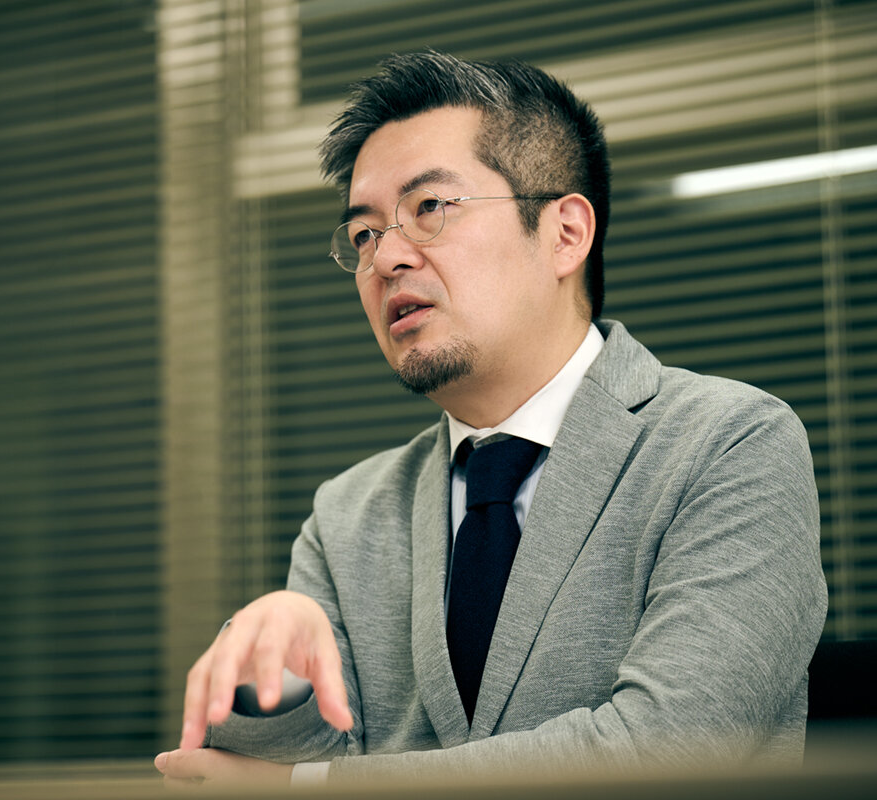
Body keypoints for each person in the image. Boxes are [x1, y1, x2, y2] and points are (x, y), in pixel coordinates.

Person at [155, 51, 827, 788]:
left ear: (565, 233)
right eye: (364, 234)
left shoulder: (728, 444)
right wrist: (272, 683)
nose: (385, 259)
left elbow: (667, 748)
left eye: (430, 209)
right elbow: (261, 773)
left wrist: (307, 790)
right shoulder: (347, 516)